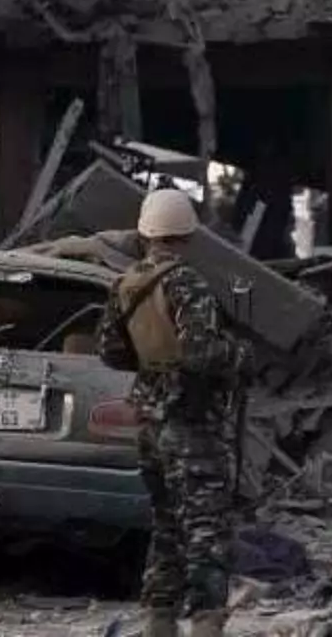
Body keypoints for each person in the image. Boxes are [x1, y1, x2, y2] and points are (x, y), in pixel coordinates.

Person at [97, 189, 246, 637]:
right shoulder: (188, 283)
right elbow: (202, 354)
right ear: (188, 234)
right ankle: (206, 623)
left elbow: (110, 352)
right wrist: (240, 354)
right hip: (192, 422)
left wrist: (154, 364)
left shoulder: (125, 284)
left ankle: (159, 621)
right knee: (206, 527)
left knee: (165, 525)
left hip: (149, 421)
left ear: (145, 233)